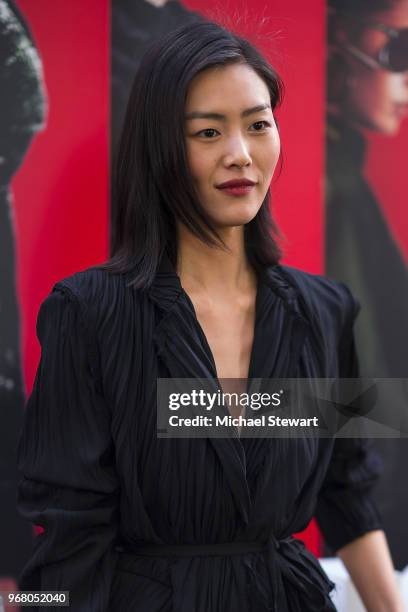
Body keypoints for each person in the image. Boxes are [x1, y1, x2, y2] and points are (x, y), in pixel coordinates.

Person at [17, 21, 403, 612]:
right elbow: (68, 540)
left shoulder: (324, 313)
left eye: (257, 124)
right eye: (208, 131)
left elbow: (346, 490)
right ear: (162, 148)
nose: (240, 154)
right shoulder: (90, 314)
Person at [326, 0, 408, 569]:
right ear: (339, 44)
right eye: (400, 50)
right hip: (358, 528)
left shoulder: (345, 177)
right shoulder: (328, 188)